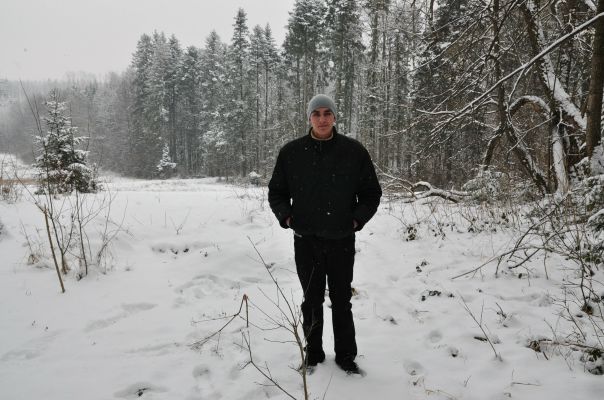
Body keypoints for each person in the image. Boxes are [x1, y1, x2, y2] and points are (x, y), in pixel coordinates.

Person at [268, 94, 382, 374]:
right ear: (309, 118)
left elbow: (371, 193)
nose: (322, 119)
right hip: (306, 240)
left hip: (341, 239)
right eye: (316, 114)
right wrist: (287, 217)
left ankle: (346, 357)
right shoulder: (292, 153)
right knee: (311, 300)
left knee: (342, 300)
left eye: (327, 113)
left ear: (334, 117)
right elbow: (277, 192)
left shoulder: (353, 152)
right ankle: (313, 354)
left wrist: (356, 220)